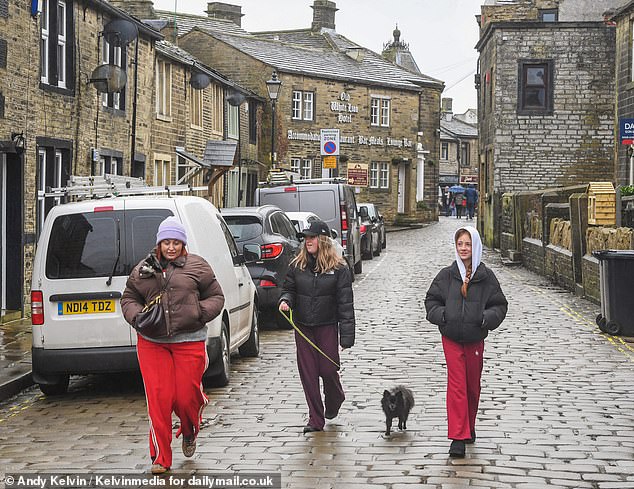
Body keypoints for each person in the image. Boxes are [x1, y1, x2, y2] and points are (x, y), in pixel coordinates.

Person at [121, 216, 225, 474]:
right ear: (159, 243)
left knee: (186, 396)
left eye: (175, 242)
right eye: (166, 242)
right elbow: (128, 298)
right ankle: (160, 458)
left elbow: (217, 296)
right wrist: (136, 317)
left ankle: (189, 429)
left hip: (189, 341)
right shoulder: (144, 269)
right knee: (159, 398)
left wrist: (198, 313)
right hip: (152, 342)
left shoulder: (197, 266)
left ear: (183, 244)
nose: (170, 247)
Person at [424, 226, 507, 458]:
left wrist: (485, 319)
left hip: (474, 338)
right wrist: (442, 316)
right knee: (457, 385)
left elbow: (499, 305)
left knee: (472, 385)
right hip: (451, 337)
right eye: (460, 244)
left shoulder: (486, 277)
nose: (463, 248)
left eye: (467, 244)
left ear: (475, 247)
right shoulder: (446, 275)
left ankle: (469, 426)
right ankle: (457, 437)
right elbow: (431, 300)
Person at [278, 219, 355, 434]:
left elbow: (346, 303)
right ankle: (315, 418)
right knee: (308, 373)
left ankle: (335, 396)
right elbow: (289, 289)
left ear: (322, 240)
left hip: (327, 325)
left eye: (311, 237)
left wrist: (347, 337)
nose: (308, 241)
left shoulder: (339, 269)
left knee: (328, 369)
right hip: (303, 327)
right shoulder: (297, 265)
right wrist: (285, 300)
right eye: (305, 238)